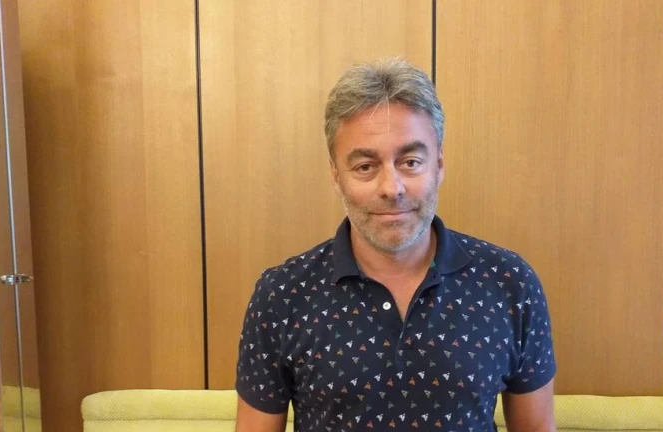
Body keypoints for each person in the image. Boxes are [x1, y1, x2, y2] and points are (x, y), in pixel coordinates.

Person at [235, 58, 557, 432]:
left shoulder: (509, 282)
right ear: (336, 176)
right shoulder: (282, 294)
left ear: (439, 165)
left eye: (410, 161)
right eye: (365, 167)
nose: (392, 188)